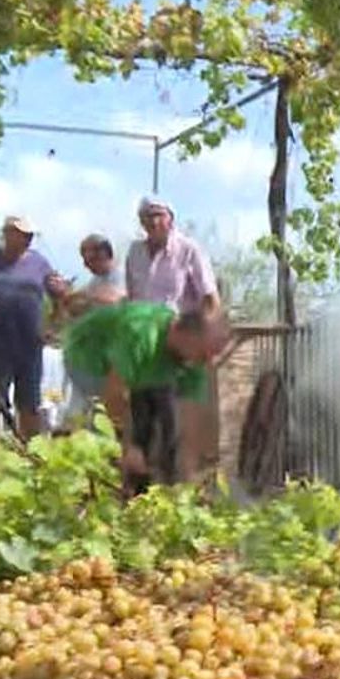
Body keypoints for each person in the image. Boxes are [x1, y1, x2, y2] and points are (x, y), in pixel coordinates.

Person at [60, 301, 231, 494]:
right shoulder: (140, 332)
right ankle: (96, 493)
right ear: (187, 335)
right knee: (103, 440)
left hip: (137, 371)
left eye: (214, 354)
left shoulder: (196, 358)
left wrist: (190, 482)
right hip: (88, 361)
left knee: (157, 430)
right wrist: (128, 447)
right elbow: (113, 397)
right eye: (205, 353)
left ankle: (137, 488)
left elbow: (190, 426)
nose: (209, 361)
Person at [125, 195, 223, 481]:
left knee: (171, 418)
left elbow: (210, 298)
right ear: (142, 222)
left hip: (174, 341)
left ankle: (170, 489)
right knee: (141, 420)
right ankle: (140, 492)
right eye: (148, 216)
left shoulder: (188, 250)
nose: (154, 221)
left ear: (171, 219)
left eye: (159, 215)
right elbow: (132, 297)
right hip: (143, 343)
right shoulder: (135, 252)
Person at [0, 216, 71, 439]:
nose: (26, 239)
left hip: (30, 343)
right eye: (20, 234)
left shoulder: (40, 262)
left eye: (29, 235)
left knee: (30, 403)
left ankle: (30, 453)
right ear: (6, 233)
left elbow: (60, 295)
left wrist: (53, 323)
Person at [58, 234, 129, 424]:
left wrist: (84, 295)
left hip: (117, 359)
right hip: (92, 363)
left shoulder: (122, 276)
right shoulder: (94, 282)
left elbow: (117, 300)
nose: (86, 266)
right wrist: (67, 301)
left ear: (103, 254)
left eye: (89, 259)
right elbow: (82, 310)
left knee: (117, 409)